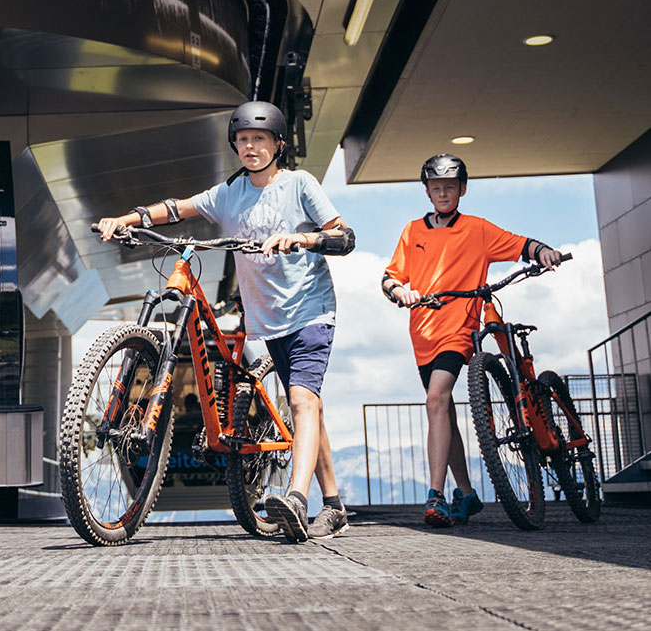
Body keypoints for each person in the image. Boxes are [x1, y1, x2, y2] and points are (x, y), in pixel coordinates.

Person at [96, 101, 355, 542]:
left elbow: (344, 236)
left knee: (301, 402)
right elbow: (178, 209)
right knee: (307, 405)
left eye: (259, 139)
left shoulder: (299, 184)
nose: (250, 147)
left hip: (310, 310)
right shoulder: (230, 193)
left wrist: (303, 238)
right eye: (242, 140)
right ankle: (334, 505)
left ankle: (296, 499)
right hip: (267, 320)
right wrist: (129, 219)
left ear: (278, 143)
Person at [381, 153, 563, 528]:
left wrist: (543, 250)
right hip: (422, 329)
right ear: (427, 192)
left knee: (436, 398)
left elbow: (520, 244)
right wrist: (399, 290)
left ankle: (436, 496)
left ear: (462, 189)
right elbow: (390, 277)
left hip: (460, 325)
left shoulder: (478, 229)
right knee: (441, 410)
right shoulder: (413, 231)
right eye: (436, 188)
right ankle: (467, 492)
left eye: (450, 187)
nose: (443, 193)